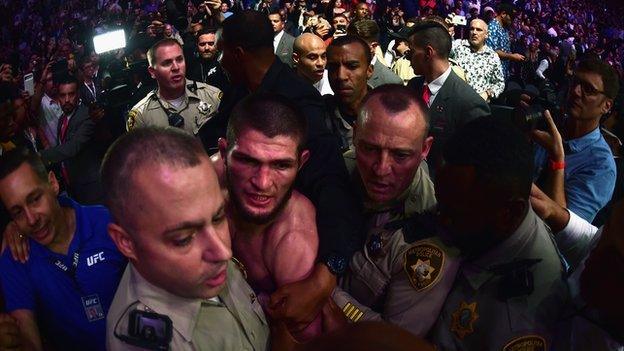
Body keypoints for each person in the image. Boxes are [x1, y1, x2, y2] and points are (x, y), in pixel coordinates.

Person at [212, 10, 363, 338]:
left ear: (237, 54)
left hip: (289, 258)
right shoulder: (240, 93)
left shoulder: (301, 101)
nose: (218, 60)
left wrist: (325, 276)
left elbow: (332, 186)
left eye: (222, 51)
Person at [102, 128, 270, 350]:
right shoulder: (146, 341)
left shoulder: (206, 266)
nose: (223, 253)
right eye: (183, 239)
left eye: (218, 217)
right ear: (126, 243)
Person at [331, 84, 461, 337]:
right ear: (355, 135)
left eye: (400, 155)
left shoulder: (430, 235)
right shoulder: (334, 171)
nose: (381, 169)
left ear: (425, 149)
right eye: (369, 149)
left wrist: (321, 289)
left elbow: (395, 340)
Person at [429, 116, 568, 350]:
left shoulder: (519, 315)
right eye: (441, 205)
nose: (441, 219)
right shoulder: (490, 215)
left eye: (455, 212)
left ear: (510, 213)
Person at [216, 93, 322, 341]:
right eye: (247, 160)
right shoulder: (200, 186)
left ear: (301, 162)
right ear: (223, 153)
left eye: (281, 165)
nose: (262, 182)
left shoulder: (293, 238)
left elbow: (301, 341)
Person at [0, 148, 126, 350]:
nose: (31, 219)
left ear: (53, 183)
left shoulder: (106, 222)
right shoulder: (16, 258)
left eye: (34, 199)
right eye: (17, 212)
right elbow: (27, 335)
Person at [532, 58, 618, 222]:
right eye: (575, 82)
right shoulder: (550, 125)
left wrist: (557, 160)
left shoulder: (601, 165)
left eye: (588, 89)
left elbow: (563, 231)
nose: (576, 91)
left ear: (606, 106)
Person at [406, 21, 490, 178]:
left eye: (411, 52)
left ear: (428, 53)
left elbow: (475, 165)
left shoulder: (469, 104)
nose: (407, 58)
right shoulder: (413, 87)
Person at [126, 38, 222, 136]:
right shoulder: (141, 116)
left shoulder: (212, 96)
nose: (176, 67)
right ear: (152, 72)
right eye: (167, 63)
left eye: (179, 60)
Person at [39, 75, 104, 204]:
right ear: (58, 97)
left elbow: (72, 147)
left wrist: (38, 157)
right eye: (63, 95)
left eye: (71, 94)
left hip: (91, 187)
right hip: (73, 187)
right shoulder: (62, 120)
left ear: (78, 95)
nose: (67, 99)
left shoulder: (87, 115)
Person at [325, 35, 373, 151]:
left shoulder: (389, 114)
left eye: (352, 66)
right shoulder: (317, 116)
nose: (341, 76)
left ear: (369, 71)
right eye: (333, 67)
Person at [450, 19, 505, 102]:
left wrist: (488, 93)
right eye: (472, 29)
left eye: (479, 30)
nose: (474, 32)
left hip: (477, 106)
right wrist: (447, 32)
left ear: (486, 35)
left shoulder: (492, 57)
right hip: (455, 102)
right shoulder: (458, 46)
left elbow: (499, 83)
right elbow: (441, 50)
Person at [347, 20, 403, 88]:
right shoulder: (339, 70)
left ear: (373, 47)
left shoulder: (391, 82)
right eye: (348, 43)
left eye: (356, 46)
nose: (349, 48)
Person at [486, 2, 525, 79]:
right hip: (493, 74)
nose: (513, 20)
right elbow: (492, 51)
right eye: (512, 17)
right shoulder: (493, 27)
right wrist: (512, 56)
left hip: (503, 72)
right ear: (503, 14)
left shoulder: (505, 28)